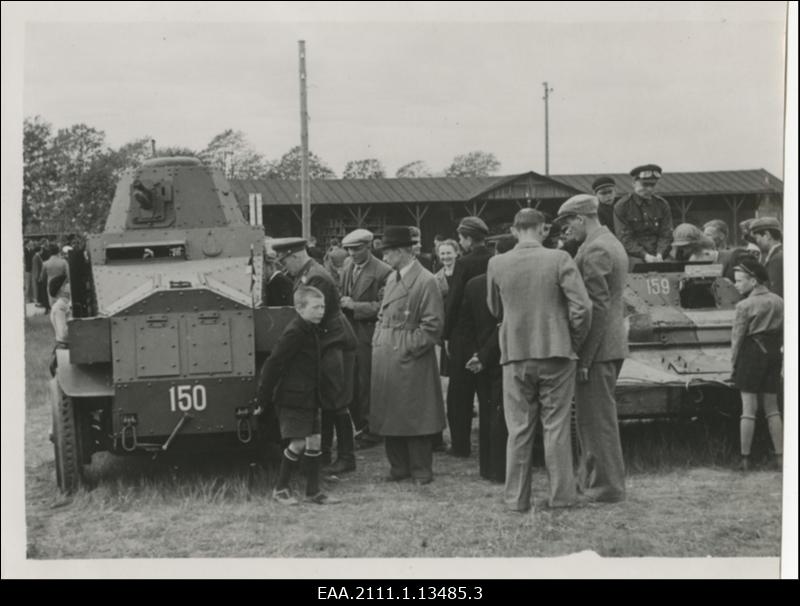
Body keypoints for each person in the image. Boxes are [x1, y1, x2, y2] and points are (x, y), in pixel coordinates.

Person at [487, 209, 592, 512]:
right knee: (556, 427)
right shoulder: (560, 259)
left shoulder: (496, 263)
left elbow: (495, 309)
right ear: (544, 230)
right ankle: (562, 497)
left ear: (513, 229)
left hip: (515, 354)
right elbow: (582, 308)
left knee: (518, 429)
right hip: (557, 352)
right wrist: (572, 338)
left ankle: (516, 499)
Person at [556, 195, 628, 503]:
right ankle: (596, 482)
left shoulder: (595, 249)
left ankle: (605, 489)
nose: (567, 230)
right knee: (597, 420)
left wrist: (583, 357)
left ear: (581, 218)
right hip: (610, 346)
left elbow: (595, 308)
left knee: (596, 422)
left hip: (598, 351)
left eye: (568, 223)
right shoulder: (608, 241)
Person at [272, 238, 358, 475]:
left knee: (337, 401)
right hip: (327, 341)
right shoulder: (307, 274)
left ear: (296, 256)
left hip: (333, 341)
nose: (284, 267)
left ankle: (346, 457)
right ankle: (325, 454)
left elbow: (314, 315)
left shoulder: (315, 277)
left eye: (285, 261)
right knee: (328, 400)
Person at [370, 226, 446, 484]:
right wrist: (380, 338)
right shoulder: (393, 278)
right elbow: (383, 314)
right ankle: (399, 466)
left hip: (408, 357)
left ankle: (420, 468)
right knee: (390, 413)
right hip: (387, 355)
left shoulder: (426, 281)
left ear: (403, 252)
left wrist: (406, 347)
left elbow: (433, 326)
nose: (385, 258)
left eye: (388, 252)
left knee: (416, 416)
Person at [255, 285, 340, 505]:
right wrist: (262, 398)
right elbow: (273, 364)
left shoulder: (311, 328)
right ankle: (280, 490)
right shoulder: (295, 331)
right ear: (300, 308)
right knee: (298, 444)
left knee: (314, 442)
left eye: (323, 306)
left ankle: (313, 492)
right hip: (294, 398)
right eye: (316, 307)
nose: (321, 311)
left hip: (310, 396)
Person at [462, 235, 515, 482]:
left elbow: (465, 325)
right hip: (507, 354)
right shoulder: (512, 283)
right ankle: (503, 468)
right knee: (506, 414)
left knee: (486, 411)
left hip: (481, 357)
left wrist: (476, 354)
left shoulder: (474, 284)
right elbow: (504, 324)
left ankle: (488, 467)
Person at [443, 216, 493, 458]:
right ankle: (488, 443)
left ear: (468, 238)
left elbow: (453, 301)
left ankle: (461, 445)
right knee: (487, 394)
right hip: (489, 334)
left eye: (461, 238)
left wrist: (445, 334)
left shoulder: (463, 263)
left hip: (464, 334)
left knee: (459, 397)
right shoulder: (495, 260)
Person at [339, 228, 392, 452]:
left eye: (357, 249)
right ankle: (361, 426)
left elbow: (386, 307)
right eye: (349, 249)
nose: (352, 253)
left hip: (369, 335)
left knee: (367, 383)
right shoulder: (347, 266)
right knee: (351, 381)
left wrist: (355, 306)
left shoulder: (383, 272)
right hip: (349, 333)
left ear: (369, 247)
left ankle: (372, 430)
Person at [731, 258, 783, 471]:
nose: (736, 285)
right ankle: (781, 458)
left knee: (748, 410)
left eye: (739, 280)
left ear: (753, 281)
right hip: (773, 354)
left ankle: (745, 459)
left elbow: (737, 339)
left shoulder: (744, 305)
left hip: (751, 355)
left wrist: (733, 365)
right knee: (773, 409)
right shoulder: (779, 301)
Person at [613, 164, 673, 269]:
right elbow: (625, 238)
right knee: (637, 267)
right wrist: (644, 255)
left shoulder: (662, 205)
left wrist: (660, 253)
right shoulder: (622, 206)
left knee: (674, 266)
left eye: (653, 185)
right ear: (633, 183)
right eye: (644, 185)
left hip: (659, 253)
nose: (649, 189)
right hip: (634, 254)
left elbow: (666, 233)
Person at [749, 217, 783, 298]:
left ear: (767, 235)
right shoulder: (777, 254)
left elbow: (775, 294)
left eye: (757, 238)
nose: (757, 242)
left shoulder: (777, 258)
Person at [47, 273, 71, 377]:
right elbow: (63, 334)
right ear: (62, 289)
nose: (70, 285)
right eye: (67, 283)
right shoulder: (59, 307)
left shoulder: (66, 305)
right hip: (65, 350)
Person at [260, 241, 293, 307]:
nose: (261, 272)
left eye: (262, 268)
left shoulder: (280, 282)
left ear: (271, 266)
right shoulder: (276, 281)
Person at [41, 243, 70, 309]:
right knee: (63, 306)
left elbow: (42, 278)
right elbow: (69, 275)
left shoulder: (45, 263)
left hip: (50, 287)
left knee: (53, 306)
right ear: (58, 252)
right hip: (62, 287)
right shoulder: (64, 262)